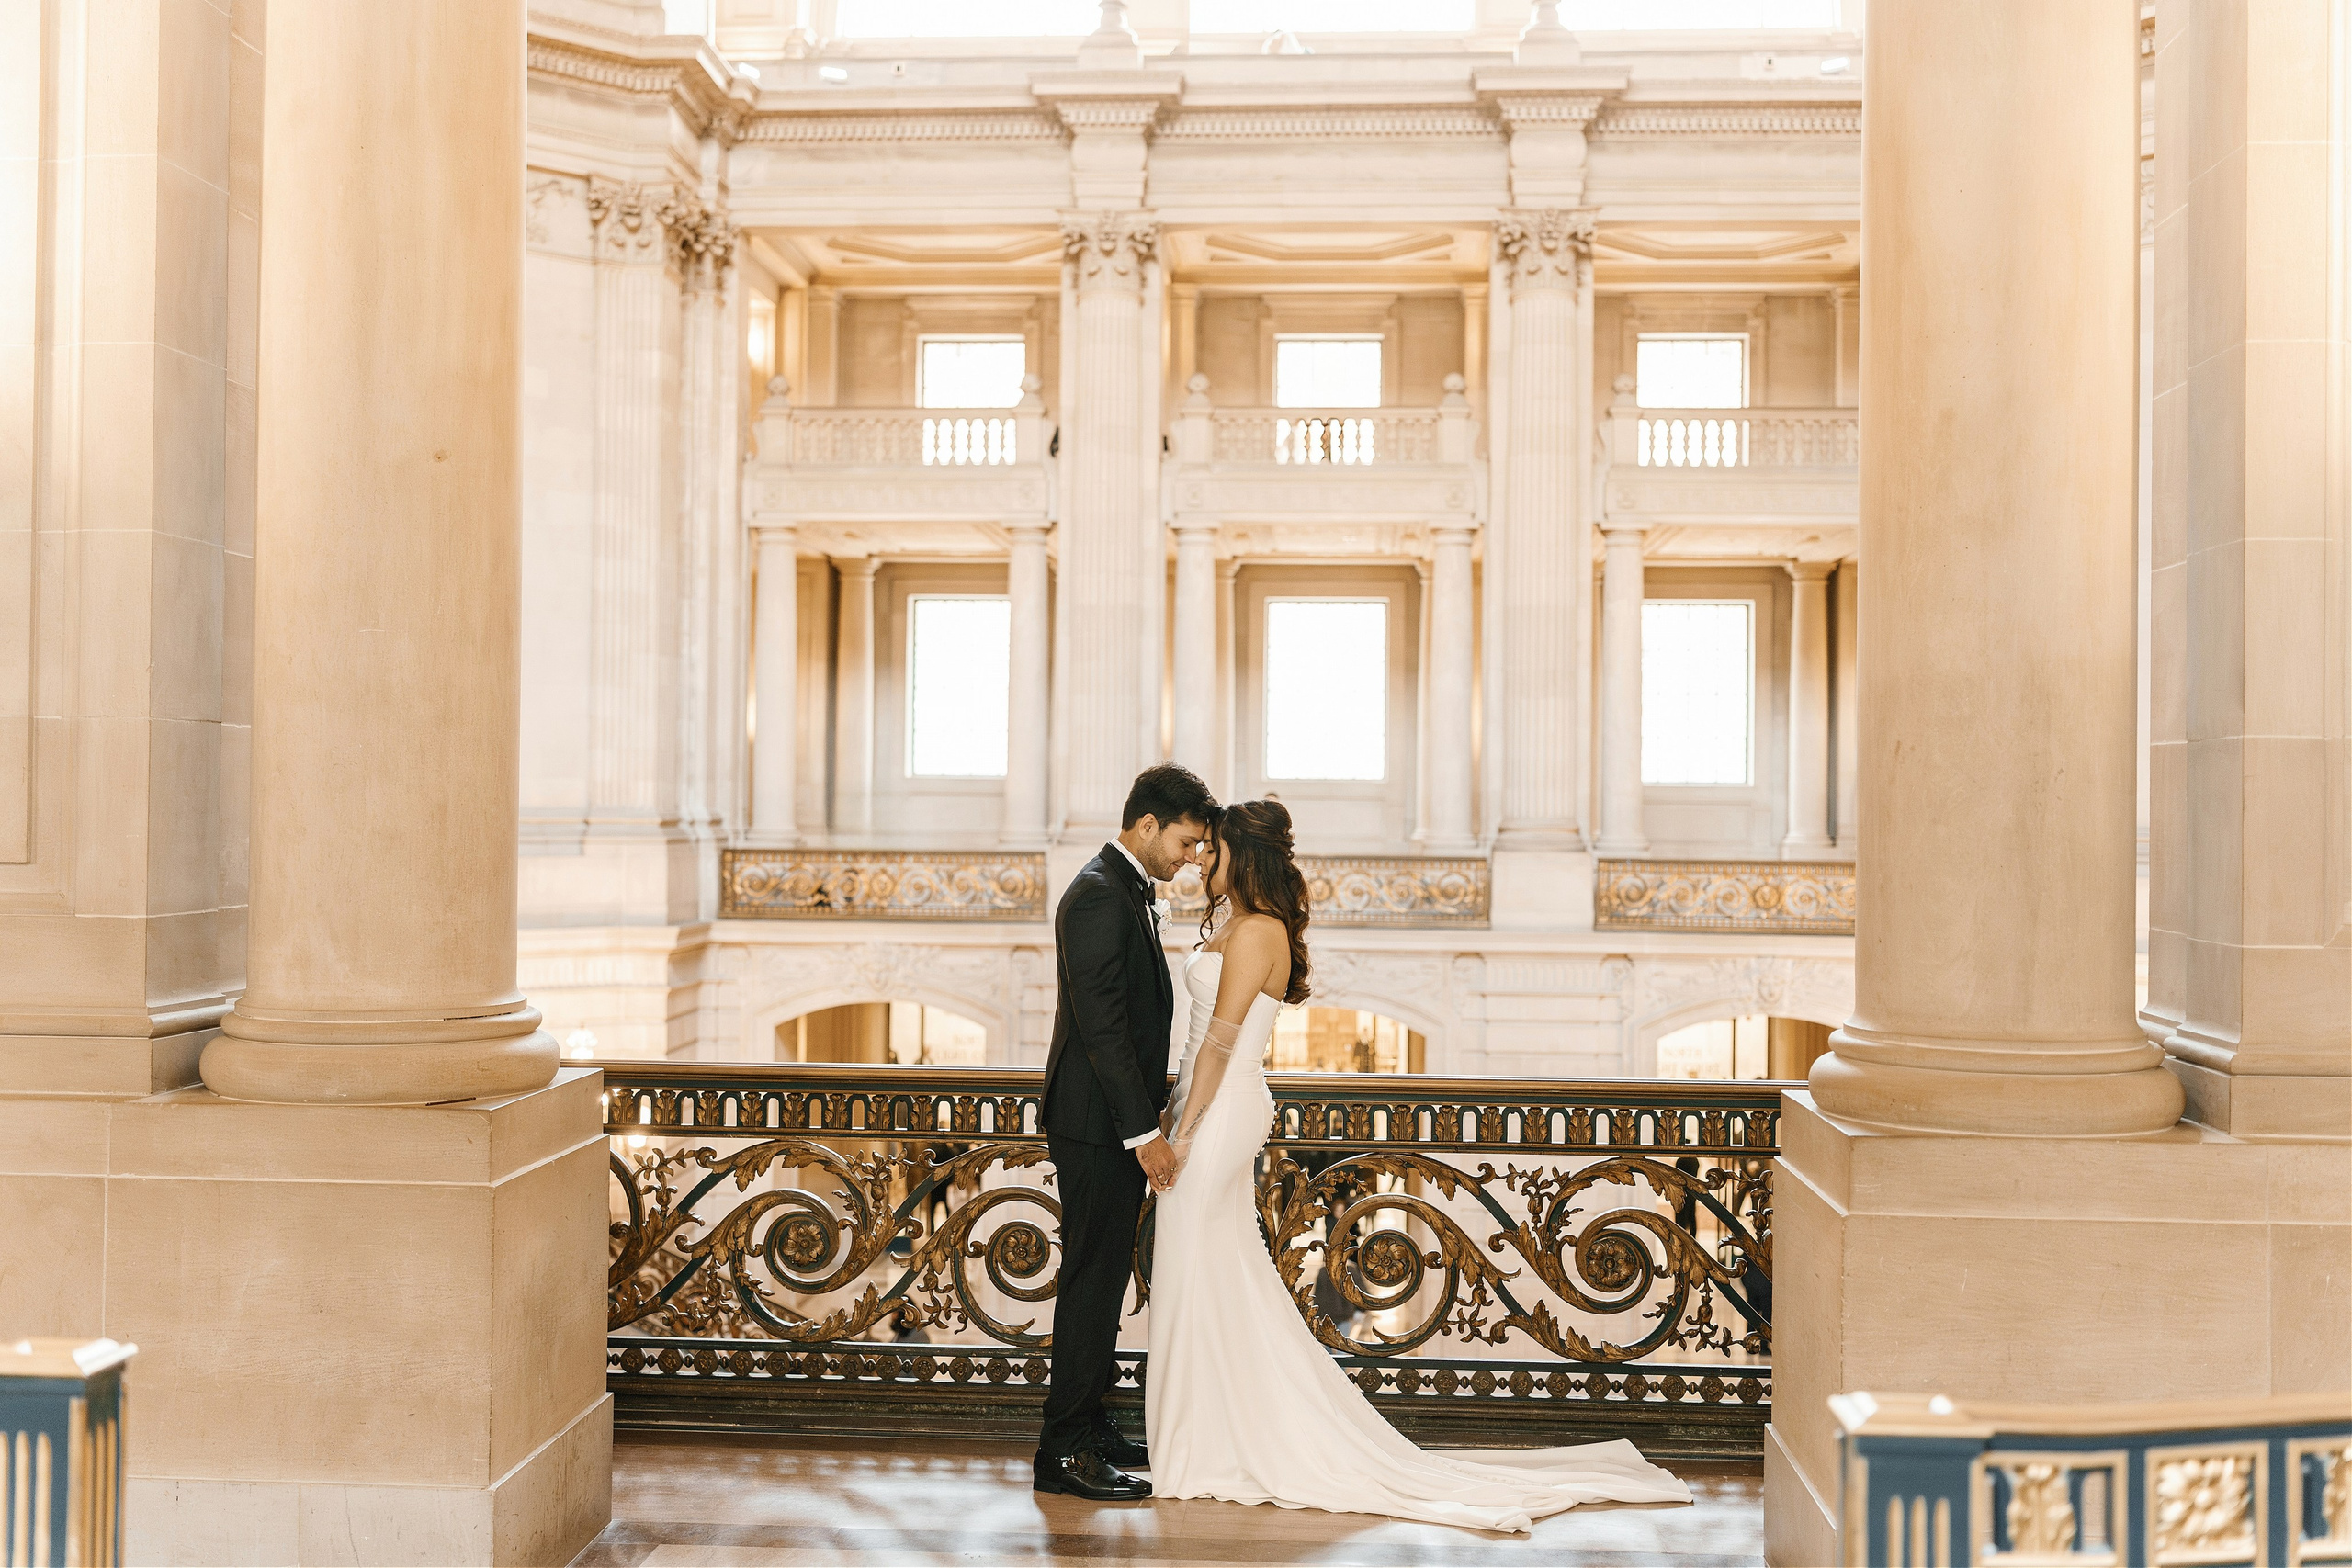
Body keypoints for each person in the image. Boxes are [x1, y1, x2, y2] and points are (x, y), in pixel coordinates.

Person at [1144, 798, 1692, 1531]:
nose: (1202, 860)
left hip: (1220, 1111)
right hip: (1208, 1106)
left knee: (1204, 1262)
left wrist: (1181, 1133)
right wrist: (1175, 1110)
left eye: (1213, 850)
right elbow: (1200, 1046)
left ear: (1242, 855)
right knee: (1211, 1268)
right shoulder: (1240, 925)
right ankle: (1203, 1437)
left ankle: (1207, 1443)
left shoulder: (1259, 931)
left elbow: (1218, 1042)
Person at [1032, 762, 1216, 1502]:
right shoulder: (1097, 895)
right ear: (1146, 825)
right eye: (1186, 840)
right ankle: (1064, 1448)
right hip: (1095, 1126)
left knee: (1105, 1281)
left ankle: (1091, 1422)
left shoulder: (1125, 891)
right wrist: (1145, 1133)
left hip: (1111, 1122)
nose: (1192, 857)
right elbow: (1103, 1028)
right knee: (1088, 1283)